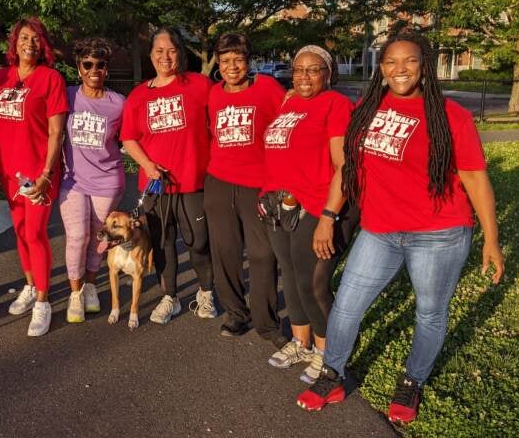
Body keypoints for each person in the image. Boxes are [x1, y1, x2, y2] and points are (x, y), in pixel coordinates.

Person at [296, 30, 505, 424]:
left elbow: (476, 180)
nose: (399, 69)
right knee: (347, 306)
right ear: (381, 68)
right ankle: (332, 374)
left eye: (409, 61)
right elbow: (348, 169)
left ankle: (412, 381)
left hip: (438, 234)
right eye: (390, 62)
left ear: (424, 65)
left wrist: (491, 240)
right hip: (380, 231)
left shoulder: (450, 116)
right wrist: (328, 215)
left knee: (429, 312)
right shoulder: (367, 110)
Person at [260, 45, 355, 384]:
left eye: (313, 69)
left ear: (328, 74)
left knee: (310, 281)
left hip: (315, 203)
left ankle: (327, 352)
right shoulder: (289, 102)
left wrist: (329, 217)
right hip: (279, 203)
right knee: (290, 275)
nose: (304, 75)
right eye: (298, 69)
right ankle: (300, 343)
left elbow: (343, 165)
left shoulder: (335, 104)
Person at [0, 18, 67, 337]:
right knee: (20, 230)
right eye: (24, 37)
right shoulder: (1, 78)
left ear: (43, 46)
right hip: (8, 172)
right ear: (13, 44)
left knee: (36, 233)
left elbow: (56, 131)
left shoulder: (50, 78)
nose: (30, 43)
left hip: (38, 173)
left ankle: (43, 301)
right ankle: (30, 285)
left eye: (36, 38)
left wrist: (45, 173)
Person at [120, 26, 215, 324]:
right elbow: (129, 139)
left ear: (180, 54)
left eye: (171, 50)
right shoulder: (138, 96)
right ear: (151, 56)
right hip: (156, 185)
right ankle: (169, 296)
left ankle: (205, 292)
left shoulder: (199, 84)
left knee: (198, 240)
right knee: (163, 243)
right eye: (159, 51)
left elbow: (228, 104)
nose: (165, 56)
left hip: (193, 181)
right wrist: (147, 165)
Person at [203, 33, 287, 346]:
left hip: (259, 185)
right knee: (226, 253)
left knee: (263, 254)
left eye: (238, 59)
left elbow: (288, 123)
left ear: (248, 61)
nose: (232, 66)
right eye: (225, 61)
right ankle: (236, 314)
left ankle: (267, 322)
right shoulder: (213, 94)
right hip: (220, 183)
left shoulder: (267, 88)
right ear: (218, 64)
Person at [59, 38, 125, 323]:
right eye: (88, 64)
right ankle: (74, 294)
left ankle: (89, 287)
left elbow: (133, 137)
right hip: (72, 181)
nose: (94, 69)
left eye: (100, 65)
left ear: (107, 69)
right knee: (77, 236)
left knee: (99, 237)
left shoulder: (118, 104)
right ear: (79, 68)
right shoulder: (67, 95)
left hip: (108, 181)